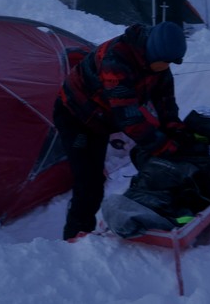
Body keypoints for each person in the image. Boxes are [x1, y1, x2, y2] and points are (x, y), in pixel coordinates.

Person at [53, 21, 188, 240]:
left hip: (102, 116)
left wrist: (174, 128)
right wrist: (163, 147)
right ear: (153, 53)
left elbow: (165, 99)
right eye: (165, 62)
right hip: (76, 116)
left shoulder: (157, 59)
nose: (168, 66)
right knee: (90, 183)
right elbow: (129, 119)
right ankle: (75, 240)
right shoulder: (116, 61)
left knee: (98, 176)